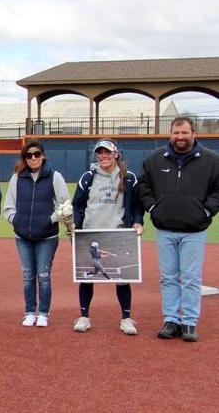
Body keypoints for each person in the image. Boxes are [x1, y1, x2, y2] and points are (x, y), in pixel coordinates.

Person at [138, 117, 219, 342]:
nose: (180, 137)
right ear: (170, 134)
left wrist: (206, 211)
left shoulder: (212, 160)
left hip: (194, 230)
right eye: (176, 133)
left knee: (191, 278)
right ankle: (171, 319)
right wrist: (153, 207)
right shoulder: (154, 160)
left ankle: (189, 323)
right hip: (164, 229)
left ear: (193, 133)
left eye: (184, 133)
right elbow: (144, 186)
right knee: (168, 278)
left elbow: (217, 191)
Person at [72, 139, 144, 335]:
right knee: (86, 279)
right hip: (91, 232)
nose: (104, 156)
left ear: (116, 154)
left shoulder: (128, 178)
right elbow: (77, 205)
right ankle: (84, 316)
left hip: (118, 232)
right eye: (100, 153)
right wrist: (74, 225)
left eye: (107, 153)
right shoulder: (87, 177)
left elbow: (137, 204)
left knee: (122, 279)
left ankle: (126, 318)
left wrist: (138, 221)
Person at [3, 139, 69, 327]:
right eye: (29, 155)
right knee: (27, 275)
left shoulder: (54, 177)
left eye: (36, 154)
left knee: (43, 275)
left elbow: (65, 205)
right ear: (24, 158)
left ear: (43, 156)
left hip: (47, 237)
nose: (33, 158)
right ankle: (29, 311)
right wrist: (17, 221)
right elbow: (8, 207)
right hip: (23, 237)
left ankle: (44, 313)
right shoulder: (17, 178)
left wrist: (49, 220)